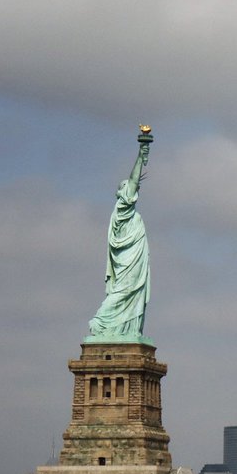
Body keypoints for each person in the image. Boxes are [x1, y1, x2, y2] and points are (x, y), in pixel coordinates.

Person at [88, 129, 153, 339]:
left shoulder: (129, 213)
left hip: (133, 260)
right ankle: (100, 321)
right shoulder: (122, 210)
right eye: (129, 188)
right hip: (128, 262)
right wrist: (142, 152)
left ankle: (127, 330)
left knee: (131, 293)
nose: (134, 190)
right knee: (124, 291)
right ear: (122, 193)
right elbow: (133, 180)